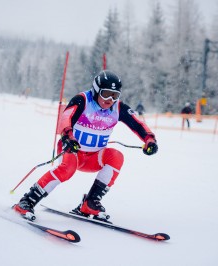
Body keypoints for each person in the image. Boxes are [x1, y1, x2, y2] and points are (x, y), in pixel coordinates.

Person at [13, 70, 158, 222]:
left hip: (93, 157)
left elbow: (138, 123)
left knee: (116, 156)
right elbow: (66, 118)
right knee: (67, 169)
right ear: (96, 91)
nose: (110, 99)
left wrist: (150, 139)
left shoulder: (118, 108)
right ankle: (26, 202)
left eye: (115, 95)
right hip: (72, 149)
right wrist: (68, 136)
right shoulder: (82, 100)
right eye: (106, 94)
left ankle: (90, 203)